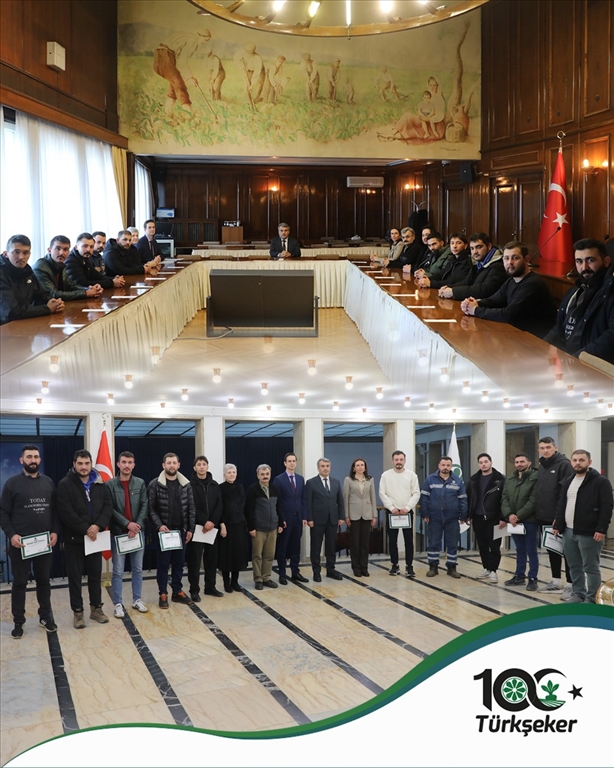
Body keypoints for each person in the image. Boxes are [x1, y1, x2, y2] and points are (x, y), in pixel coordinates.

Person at [0, 445, 58, 638]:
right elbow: (3, 513)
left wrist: (55, 532)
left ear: (39, 460)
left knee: (43, 581)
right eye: (29, 457)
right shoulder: (11, 484)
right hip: (20, 545)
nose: (33, 460)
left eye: (36, 456)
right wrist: (11, 535)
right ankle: (19, 622)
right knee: (19, 583)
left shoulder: (48, 482)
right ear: (21, 460)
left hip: (44, 544)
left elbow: (55, 511)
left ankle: (45, 617)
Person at [56, 449, 113, 628]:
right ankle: (78, 612)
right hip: (74, 540)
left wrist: (98, 526)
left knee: (95, 576)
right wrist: (86, 529)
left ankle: (96, 609)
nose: (83, 467)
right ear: (74, 464)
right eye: (80, 463)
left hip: (95, 538)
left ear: (91, 464)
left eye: (87, 463)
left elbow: (108, 506)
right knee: (75, 578)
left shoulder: (99, 482)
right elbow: (66, 512)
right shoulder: (65, 484)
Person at [461, 240, 557, 338]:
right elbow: (493, 300)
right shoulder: (511, 280)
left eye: (515, 258)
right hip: (518, 333)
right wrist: (474, 303)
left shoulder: (533, 284)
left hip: (537, 339)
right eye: (506, 258)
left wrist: (476, 310)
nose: (510, 262)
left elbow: (509, 314)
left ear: (526, 259)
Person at [553, 449, 613, 604]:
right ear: (571, 462)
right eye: (575, 460)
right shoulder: (568, 480)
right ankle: (579, 593)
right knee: (573, 566)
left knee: (590, 567)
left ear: (589, 462)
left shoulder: (600, 482)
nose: (577, 463)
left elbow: (607, 507)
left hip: (589, 532)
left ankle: (591, 598)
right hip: (568, 531)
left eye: (581, 460)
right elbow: (562, 504)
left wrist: (601, 529)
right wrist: (558, 524)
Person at [544, 238, 614, 364]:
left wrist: (576, 359)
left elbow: (611, 338)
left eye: (590, 260)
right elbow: (559, 329)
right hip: (569, 362)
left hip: (594, 367)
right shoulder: (574, 291)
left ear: (606, 261)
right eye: (579, 261)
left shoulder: (610, 292)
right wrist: (542, 347)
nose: (584, 267)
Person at [147, 452, 195, 608]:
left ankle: (177, 591)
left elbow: (191, 508)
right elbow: (150, 508)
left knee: (179, 563)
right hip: (164, 533)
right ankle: (163, 593)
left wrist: (190, 529)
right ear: (163, 465)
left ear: (178, 465)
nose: (172, 465)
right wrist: (159, 525)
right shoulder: (155, 484)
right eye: (169, 463)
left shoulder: (186, 484)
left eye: (174, 462)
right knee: (163, 564)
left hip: (181, 531)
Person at [106, 451, 149, 618]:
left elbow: (145, 505)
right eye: (123, 462)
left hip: (137, 533)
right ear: (118, 464)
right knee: (118, 571)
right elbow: (110, 509)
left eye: (130, 462)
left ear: (134, 465)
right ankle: (118, 603)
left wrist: (136, 525)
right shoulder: (110, 485)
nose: (126, 465)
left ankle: (137, 599)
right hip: (119, 534)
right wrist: (127, 524)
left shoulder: (140, 483)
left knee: (137, 569)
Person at [535, 437, 574, 596]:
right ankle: (556, 582)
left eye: (548, 447)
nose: (545, 450)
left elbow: (565, 493)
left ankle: (571, 584)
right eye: (542, 448)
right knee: (553, 549)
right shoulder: (542, 465)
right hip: (544, 516)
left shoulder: (564, 465)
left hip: (559, 518)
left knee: (567, 552)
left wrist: (559, 517)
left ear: (555, 448)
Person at [420, 456, 468, 578]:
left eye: (448, 465)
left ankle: (451, 567)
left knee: (452, 544)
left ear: (451, 466)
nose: (445, 467)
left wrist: (463, 515)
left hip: (452, 518)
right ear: (439, 465)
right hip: (434, 518)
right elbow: (424, 498)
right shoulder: (430, 479)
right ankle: (433, 567)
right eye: (443, 465)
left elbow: (463, 500)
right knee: (433, 543)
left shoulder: (458, 481)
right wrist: (425, 513)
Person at [1, 234, 65, 324]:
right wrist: (47, 309)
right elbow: (11, 312)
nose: (21, 257)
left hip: (20, 324)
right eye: (16, 252)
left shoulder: (27, 271)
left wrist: (55, 303)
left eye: (25, 253)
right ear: (6, 254)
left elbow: (41, 294)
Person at [379, 450, 421, 578]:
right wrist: (392, 508)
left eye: (401, 459)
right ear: (392, 461)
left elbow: (416, 493)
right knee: (392, 541)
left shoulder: (412, 475)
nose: (399, 462)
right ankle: (394, 565)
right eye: (396, 459)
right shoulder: (386, 475)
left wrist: (407, 508)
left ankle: (409, 566)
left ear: (405, 460)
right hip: (392, 513)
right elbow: (382, 493)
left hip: (406, 513)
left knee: (409, 541)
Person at [187, 455, 223, 600]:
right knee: (195, 561)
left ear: (207, 467)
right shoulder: (189, 485)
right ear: (194, 468)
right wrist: (204, 521)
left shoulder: (214, 485)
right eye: (199, 464)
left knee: (212, 559)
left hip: (212, 529)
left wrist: (212, 522)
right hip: (197, 528)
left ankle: (210, 587)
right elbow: (191, 506)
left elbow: (219, 504)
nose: (202, 467)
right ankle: (194, 590)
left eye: (204, 464)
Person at [465, 453, 506, 583]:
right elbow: (469, 499)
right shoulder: (473, 480)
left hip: (495, 518)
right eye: (481, 462)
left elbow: (505, 500)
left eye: (486, 462)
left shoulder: (500, 479)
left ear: (491, 462)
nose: (483, 464)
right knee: (482, 545)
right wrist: (468, 515)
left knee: (494, 546)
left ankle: (494, 570)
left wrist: (503, 517)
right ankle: (486, 568)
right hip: (478, 517)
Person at [501, 453, 539, 591]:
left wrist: (519, 515)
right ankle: (519, 575)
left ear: (529, 463)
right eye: (517, 462)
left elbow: (533, 500)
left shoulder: (535, 477)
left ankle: (533, 578)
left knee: (531, 550)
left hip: (529, 520)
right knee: (520, 550)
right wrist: (510, 515)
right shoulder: (510, 478)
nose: (519, 464)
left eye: (522, 461)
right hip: (514, 522)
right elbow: (504, 498)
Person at [153, 30, 212, 117]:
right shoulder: (193, 41)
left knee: (174, 84)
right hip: (166, 56)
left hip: (160, 55)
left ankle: (168, 113)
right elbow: (182, 61)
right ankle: (189, 113)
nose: (204, 43)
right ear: (200, 35)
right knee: (179, 84)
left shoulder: (188, 35)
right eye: (205, 40)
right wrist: (190, 78)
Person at [244, 464, 284, 590]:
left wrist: (280, 523)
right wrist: (251, 527)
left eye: (267, 474)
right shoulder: (252, 489)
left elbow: (278, 507)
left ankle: (266, 577)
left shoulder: (275, 489)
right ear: (258, 475)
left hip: (272, 528)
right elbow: (249, 510)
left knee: (269, 555)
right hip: (259, 528)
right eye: (262, 474)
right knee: (257, 555)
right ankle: (258, 579)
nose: (265, 476)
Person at [306, 458, 345, 582]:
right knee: (316, 547)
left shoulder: (336, 482)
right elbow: (308, 502)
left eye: (327, 466)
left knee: (331, 546)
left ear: (330, 468)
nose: (325, 468)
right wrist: (309, 518)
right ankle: (316, 572)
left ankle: (331, 570)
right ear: (318, 468)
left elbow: (340, 501)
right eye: (323, 466)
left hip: (332, 520)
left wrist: (341, 516)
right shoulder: (311, 483)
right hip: (317, 520)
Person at [273, 452, 309, 585]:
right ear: (285, 463)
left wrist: (304, 516)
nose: (292, 463)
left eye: (294, 461)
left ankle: (295, 572)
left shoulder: (300, 479)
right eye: (289, 461)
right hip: (285, 520)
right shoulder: (279, 480)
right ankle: (282, 574)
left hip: (298, 519)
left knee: (296, 547)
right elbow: (277, 502)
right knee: (282, 548)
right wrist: (280, 520)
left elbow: (303, 499)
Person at [33, 235, 103, 301]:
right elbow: (54, 294)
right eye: (58, 249)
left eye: (65, 249)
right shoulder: (40, 268)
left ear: (69, 252)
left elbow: (70, 286)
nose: (61, 253)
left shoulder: (61, 265)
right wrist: (86, 293)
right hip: (41, 307)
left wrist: (90, 289)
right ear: (49, 250)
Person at [438, 232, 505, 300]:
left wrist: (453, 292)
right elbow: (467, 282)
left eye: (479, 247)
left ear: (489, 246)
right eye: (472, 248)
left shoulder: (498, 266)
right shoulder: (477, 263)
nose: (475, 252)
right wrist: (448, 287)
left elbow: (484, 290)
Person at [343, 458, 378, 577]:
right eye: (357, 465)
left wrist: (374, 515)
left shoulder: (370, 479)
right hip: (354, 514)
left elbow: (373, 497)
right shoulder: (348, 480)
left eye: (362, 465)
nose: (360, 467)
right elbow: (345, 498)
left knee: (365, 543)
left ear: (365, 467)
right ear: (354, 468)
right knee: (355, 543)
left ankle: (364, 567)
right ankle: (356, 567)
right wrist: (346, 515)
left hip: (367, 514)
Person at [218, 463, 248, 593]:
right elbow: (219, 508)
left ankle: (235, 582)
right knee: (227, 555)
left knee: (238, 555)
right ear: (224, 475)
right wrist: (222, 524)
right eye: (229, 472)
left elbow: (244, 505)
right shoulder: (220, 488)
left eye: (234, 472)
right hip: (227, 526)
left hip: (239, 525)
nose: (232, 475)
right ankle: (226, 582)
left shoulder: (240, 487)